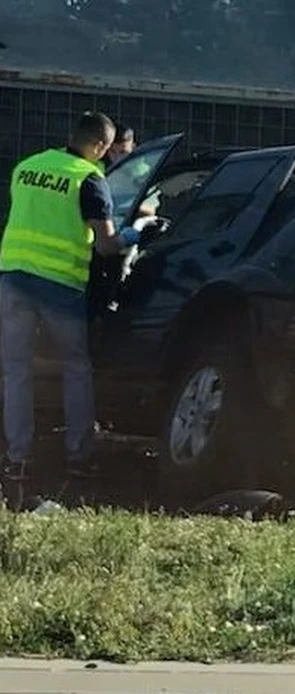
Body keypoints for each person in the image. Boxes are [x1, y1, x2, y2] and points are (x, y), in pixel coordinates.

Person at [0, 112, 142, 498]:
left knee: (15, 370)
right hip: (59, 285)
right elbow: (106, 244)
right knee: (76, 368)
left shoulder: (28, 167)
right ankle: (78, 458)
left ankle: (17, 459)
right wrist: (137, 231)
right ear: (99, 146)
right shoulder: (90, 180)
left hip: (12, 276)